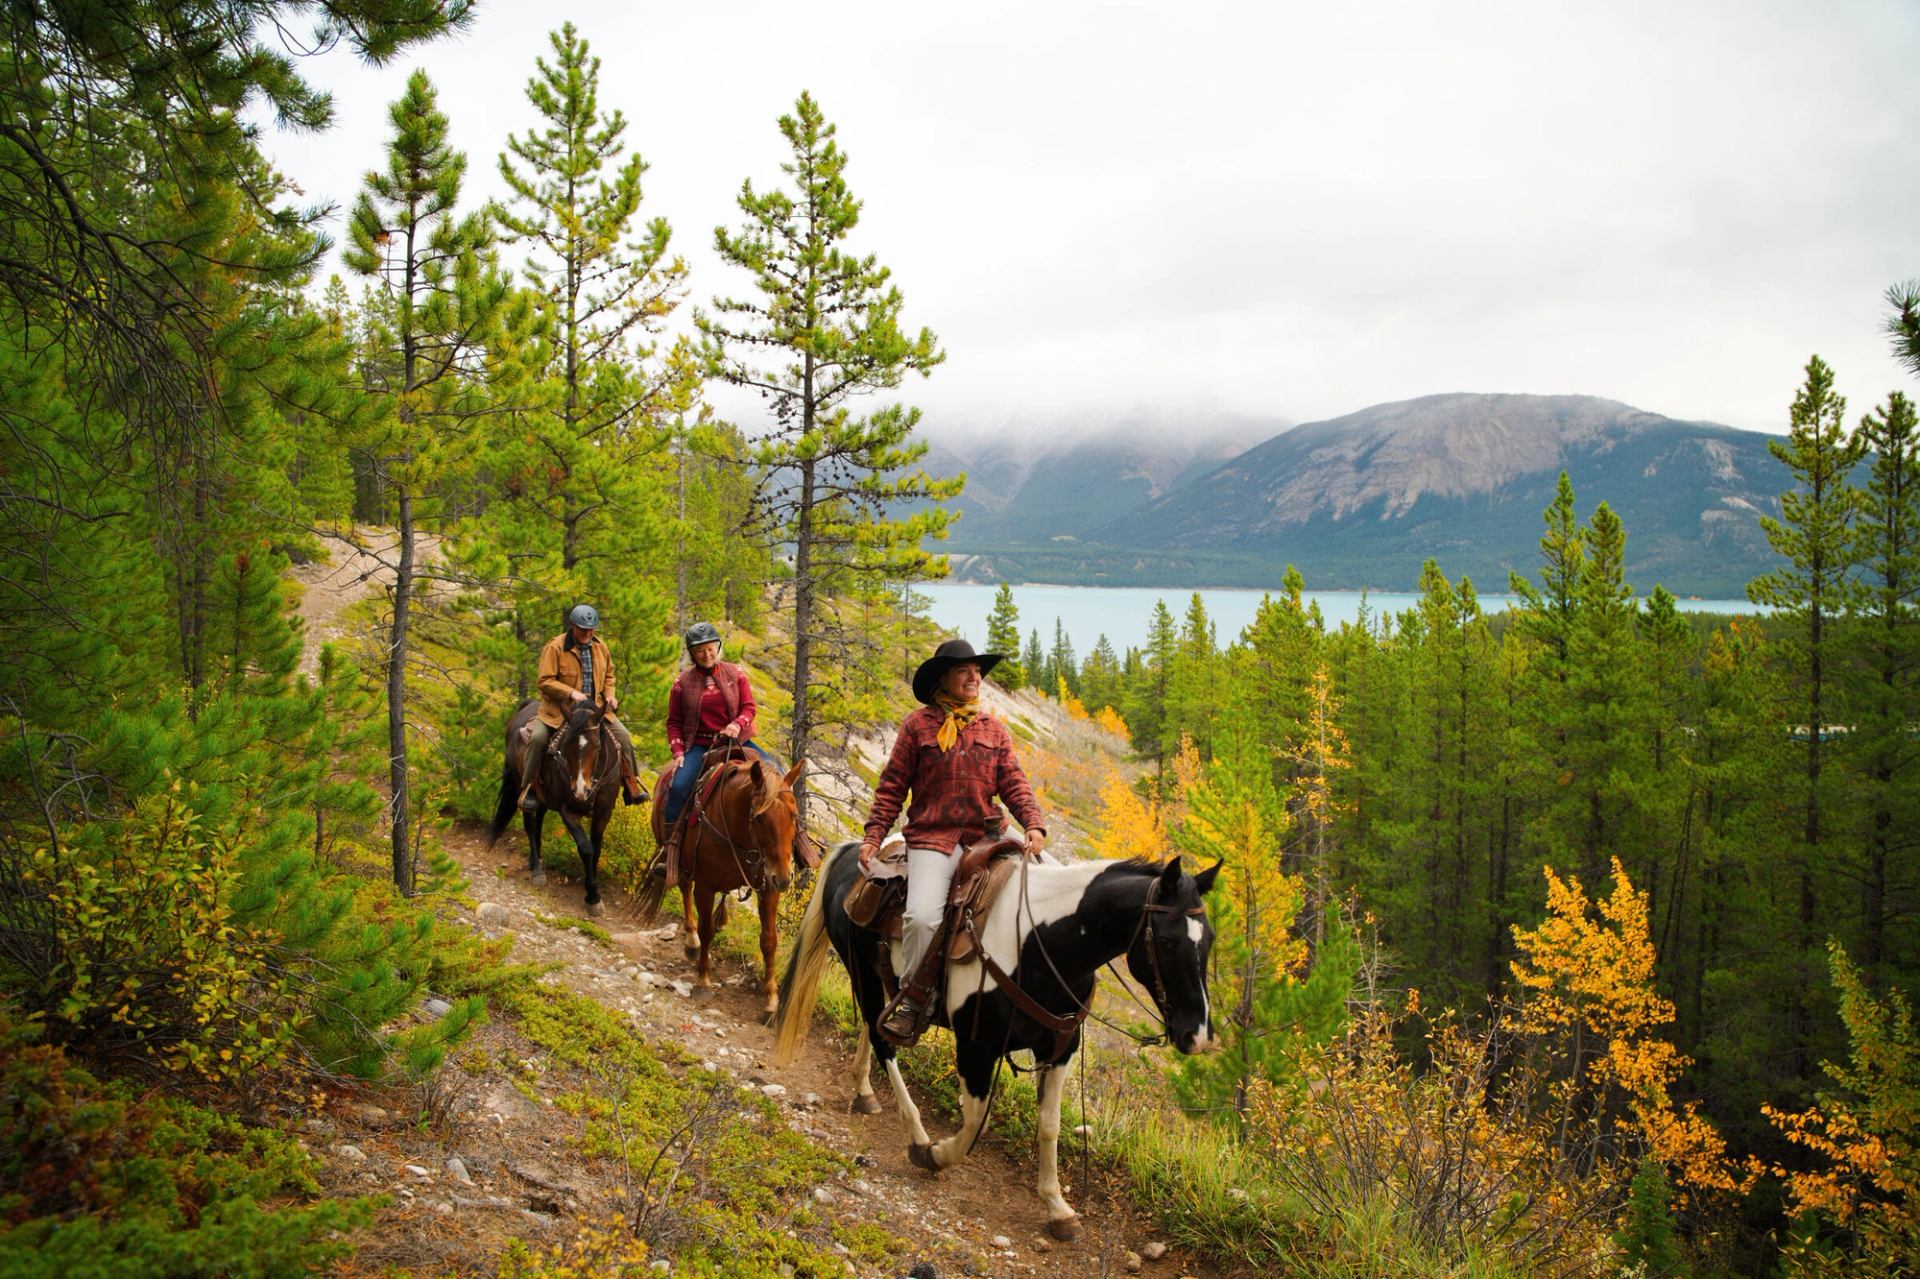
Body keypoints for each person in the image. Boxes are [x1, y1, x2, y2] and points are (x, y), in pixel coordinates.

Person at [860, 637, 1047, 1047]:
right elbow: (892, 787)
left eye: (978, 672)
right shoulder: (917, 726)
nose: (975, 677)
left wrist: (1033, 824)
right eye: (965, 671)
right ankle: (912, 998)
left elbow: (1014, 783)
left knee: (1045, 882)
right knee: (923, 917)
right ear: (943, 678)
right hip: (933, 838)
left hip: (987, 835)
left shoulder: (993, 729)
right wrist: (875, 835)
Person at [655, 621, 776, 884]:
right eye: (700, 651)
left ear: (718, 647)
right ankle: (670, 850)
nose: (706, 655)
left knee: (776, 773)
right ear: (692, 653)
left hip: (737, 742)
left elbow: (749, 708)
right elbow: (673, 722)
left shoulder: (737, 674)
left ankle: (796, 839)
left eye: (710, 649)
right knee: (678, 788)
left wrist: (736, 724)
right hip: (700, 746)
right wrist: (678, 752)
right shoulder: (682, 683)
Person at [518, 603, 645, 811]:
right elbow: (544, 681)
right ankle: (529, 788)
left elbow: (609, 676)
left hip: (593, 711)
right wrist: (570, 693)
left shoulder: (600, 647)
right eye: (583, 629)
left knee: (624, 737)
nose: (588, 633)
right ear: (573, 626)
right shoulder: (555, 647)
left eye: (591, 629)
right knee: (538, 738)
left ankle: (631, 782)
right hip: (561, 712)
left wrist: (610, 696)